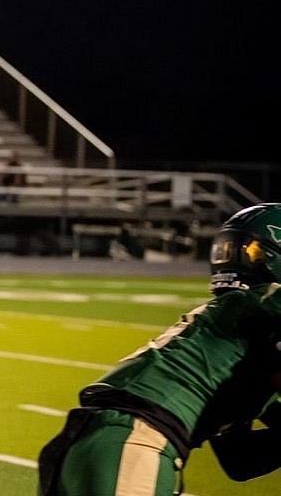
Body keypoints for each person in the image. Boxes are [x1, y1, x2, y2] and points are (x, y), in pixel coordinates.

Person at [38, 203, 281, 495]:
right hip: (136, 439)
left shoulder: (236, 333)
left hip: (96, 440)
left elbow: (239, 460)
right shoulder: (262, 304)